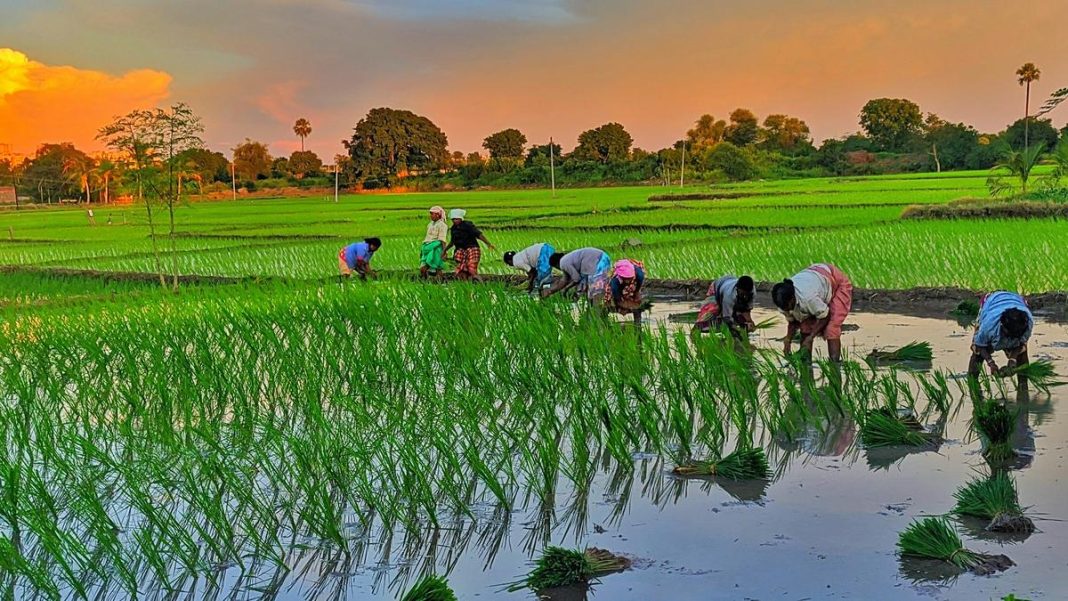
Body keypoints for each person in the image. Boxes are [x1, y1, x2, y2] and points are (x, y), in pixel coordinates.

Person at [771, 263, 853, 362]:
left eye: (787, 307)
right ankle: (806, 364)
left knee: (831, 328)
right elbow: (793, 322)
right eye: (784, 309)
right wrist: (788, 339)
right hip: (815, 279)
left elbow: (825, 315)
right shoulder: (783, 304)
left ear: (792, 299)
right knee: (805, 328)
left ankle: (835, 365)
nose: (787, 311)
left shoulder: (808, 299)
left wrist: (811, 336)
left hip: (835, 281)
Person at [968, 291, 1033, 385]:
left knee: (1022, 355)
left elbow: (1021, 343)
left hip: (1015, 301)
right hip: (992, 302)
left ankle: (1023, 386)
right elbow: (979, 345)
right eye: (1010, 336)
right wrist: (991, 363)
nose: (1011, 340)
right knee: (977, 354)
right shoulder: (988, 326)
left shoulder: (1027, 324)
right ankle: (972, 384)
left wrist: (1013, 360)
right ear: (1002, 327)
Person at [693, 275, 757, 340]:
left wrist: (749, 322)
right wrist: (738, 328)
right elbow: (727, 318)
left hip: (729, 283)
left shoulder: (752, 291)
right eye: (742, 294)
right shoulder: (729, 295)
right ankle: (696, 330)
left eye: (746, 295)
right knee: (713, 311)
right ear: (737, 289)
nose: (744, 296)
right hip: (716, 289)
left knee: (741, 318)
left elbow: (746, 310)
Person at [443, 209, 495, 281]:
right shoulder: (453, 229)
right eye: (453, 219)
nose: (455, 221)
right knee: (461, 273)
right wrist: (445, 250)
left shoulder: (468, 225)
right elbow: (452, 242)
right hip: (461, 250)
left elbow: (478, 234)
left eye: (457, 219)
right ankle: (467, 286)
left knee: (471, 269)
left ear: (461, 218)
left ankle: (480, 283)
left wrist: (488, 244)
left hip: (472, 248)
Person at [543, 247, 611, 300]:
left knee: (595, 292)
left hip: (598, 261)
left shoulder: (563, 263)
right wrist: (551, 291)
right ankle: (592, 310)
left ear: (556, 265)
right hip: (603, 258)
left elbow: (576, 279)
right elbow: (564, 280)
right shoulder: (567, 259)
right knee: (590, 290)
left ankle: (595, 313)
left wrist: (566, 288)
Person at [420, 206, 448, 278]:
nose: (431, 216)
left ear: (438, 215)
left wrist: (444, 252)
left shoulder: (442, 225)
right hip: (427, 247)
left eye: (432, 214)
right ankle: (426, 283)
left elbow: (442, 239)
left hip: (436, 248)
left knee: (437, 267)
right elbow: (427, 237)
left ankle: (438, 282)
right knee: (423, 268)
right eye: (431, 214)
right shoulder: (430, 224)